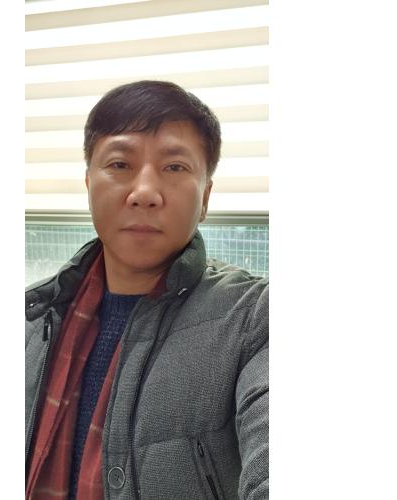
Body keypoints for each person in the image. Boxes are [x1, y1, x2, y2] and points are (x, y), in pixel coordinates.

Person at [25, 80, 269, 500]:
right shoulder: (34, 315)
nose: (144, 193)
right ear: (88, 183)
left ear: (205, 197)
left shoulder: (254, 318)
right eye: (120, 164)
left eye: (174, 167)